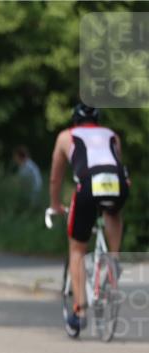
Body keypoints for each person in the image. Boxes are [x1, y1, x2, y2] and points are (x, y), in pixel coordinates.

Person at [49, 103, 130, 336]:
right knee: (113, 210)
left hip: (88, 185)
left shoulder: (66, 136)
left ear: (75, 120)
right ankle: (114, 258)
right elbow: (115, 163)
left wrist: (55, 205)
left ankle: (80, 311)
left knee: (77, 248)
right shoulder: (112, 135)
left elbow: (56, 178)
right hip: (117, 183)